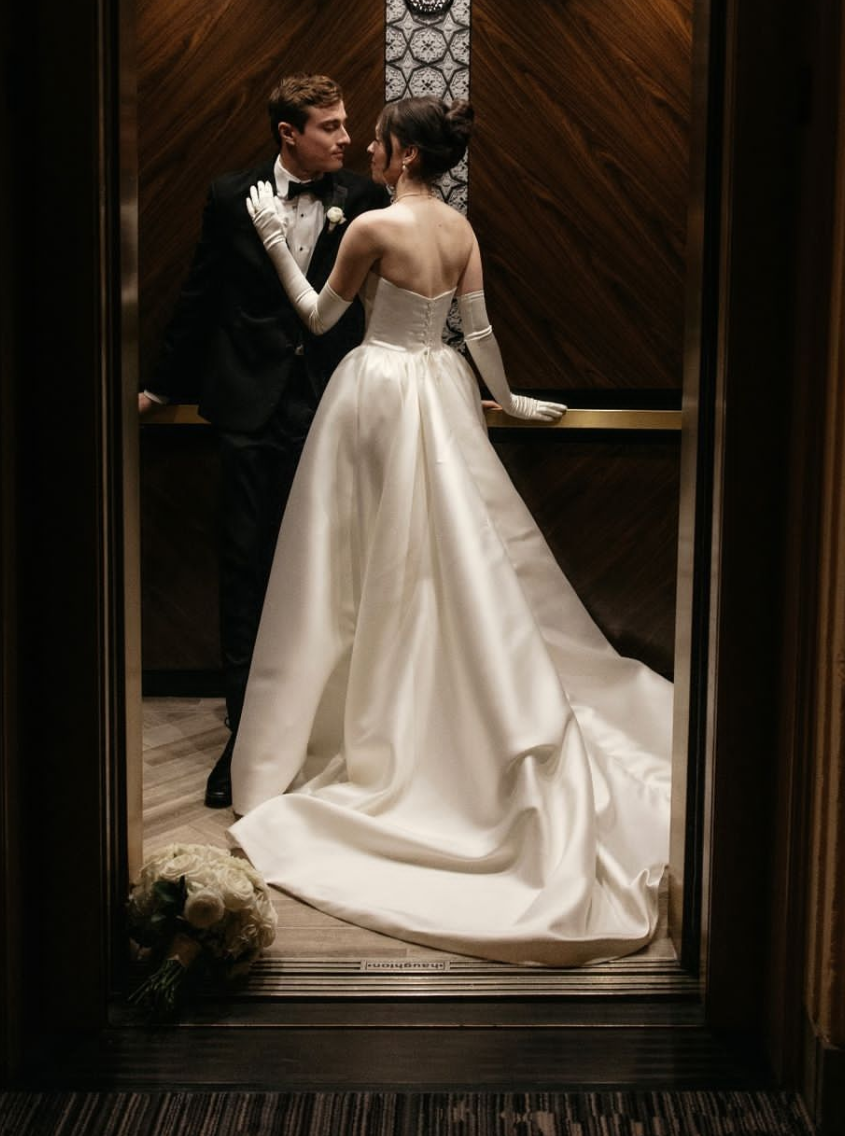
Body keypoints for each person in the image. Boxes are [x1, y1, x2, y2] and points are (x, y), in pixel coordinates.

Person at [226, 96, 674, 967]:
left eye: (380, 139)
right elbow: (480, 332)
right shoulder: (461, 228)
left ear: (397, 153)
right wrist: (505, 398)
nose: (371, 150)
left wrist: (280, 243)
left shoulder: (370, 229)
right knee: (449, 555)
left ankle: (360, 718)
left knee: (356, 557)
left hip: (376, 392)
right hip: (438, 386)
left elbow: (320, 319)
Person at [139, 73, 388, 808]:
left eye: (347, 125)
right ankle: (244, 745)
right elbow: (199, 293)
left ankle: (321, 738)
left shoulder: (365, 200)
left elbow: (409, 285)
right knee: (244, 576)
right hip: (247, 413)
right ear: (289, 133)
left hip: (333, 412)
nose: (346, 137)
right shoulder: (227, 195)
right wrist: (160, 382)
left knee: (327, 575)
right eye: (331, 126)